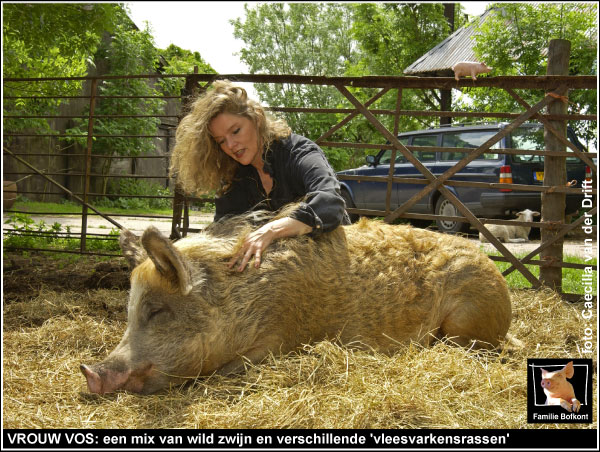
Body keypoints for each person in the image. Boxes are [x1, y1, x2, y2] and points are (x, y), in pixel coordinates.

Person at [170, 80, 349, 272]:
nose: (231, 145)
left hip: (333, 265)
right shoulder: (234, 176)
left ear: (256, 119)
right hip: (284, 276)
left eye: (236, 131)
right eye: (221, 141)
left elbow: (330, 203)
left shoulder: (299, 153)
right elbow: (222, 230)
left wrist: (271, 230)